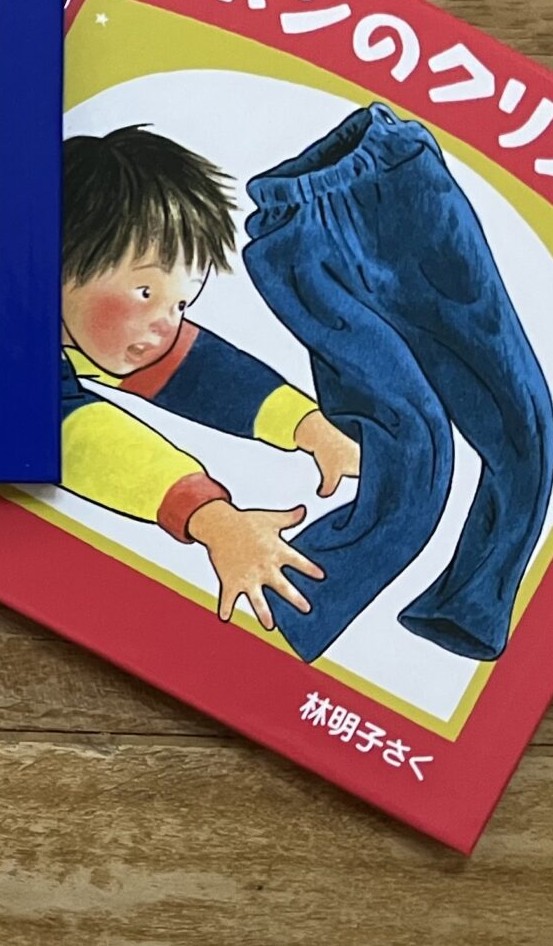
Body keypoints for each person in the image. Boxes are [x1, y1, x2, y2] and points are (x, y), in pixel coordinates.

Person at [58, 124, 362, 631]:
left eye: (180, 303)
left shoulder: (84, 318)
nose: (165, 325)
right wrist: (215, 521)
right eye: (144, 293)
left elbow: (200, 372)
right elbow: (75, 436)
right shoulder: (0, 335)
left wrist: (307, 426)